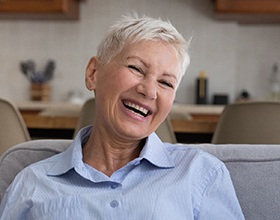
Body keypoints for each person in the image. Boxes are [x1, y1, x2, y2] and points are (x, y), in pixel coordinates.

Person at [0, 14, 245, 219]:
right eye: (136, 68)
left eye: (165, 83)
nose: (149, 91)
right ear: (93, 73)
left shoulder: (201, 173)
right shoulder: (32, 184)